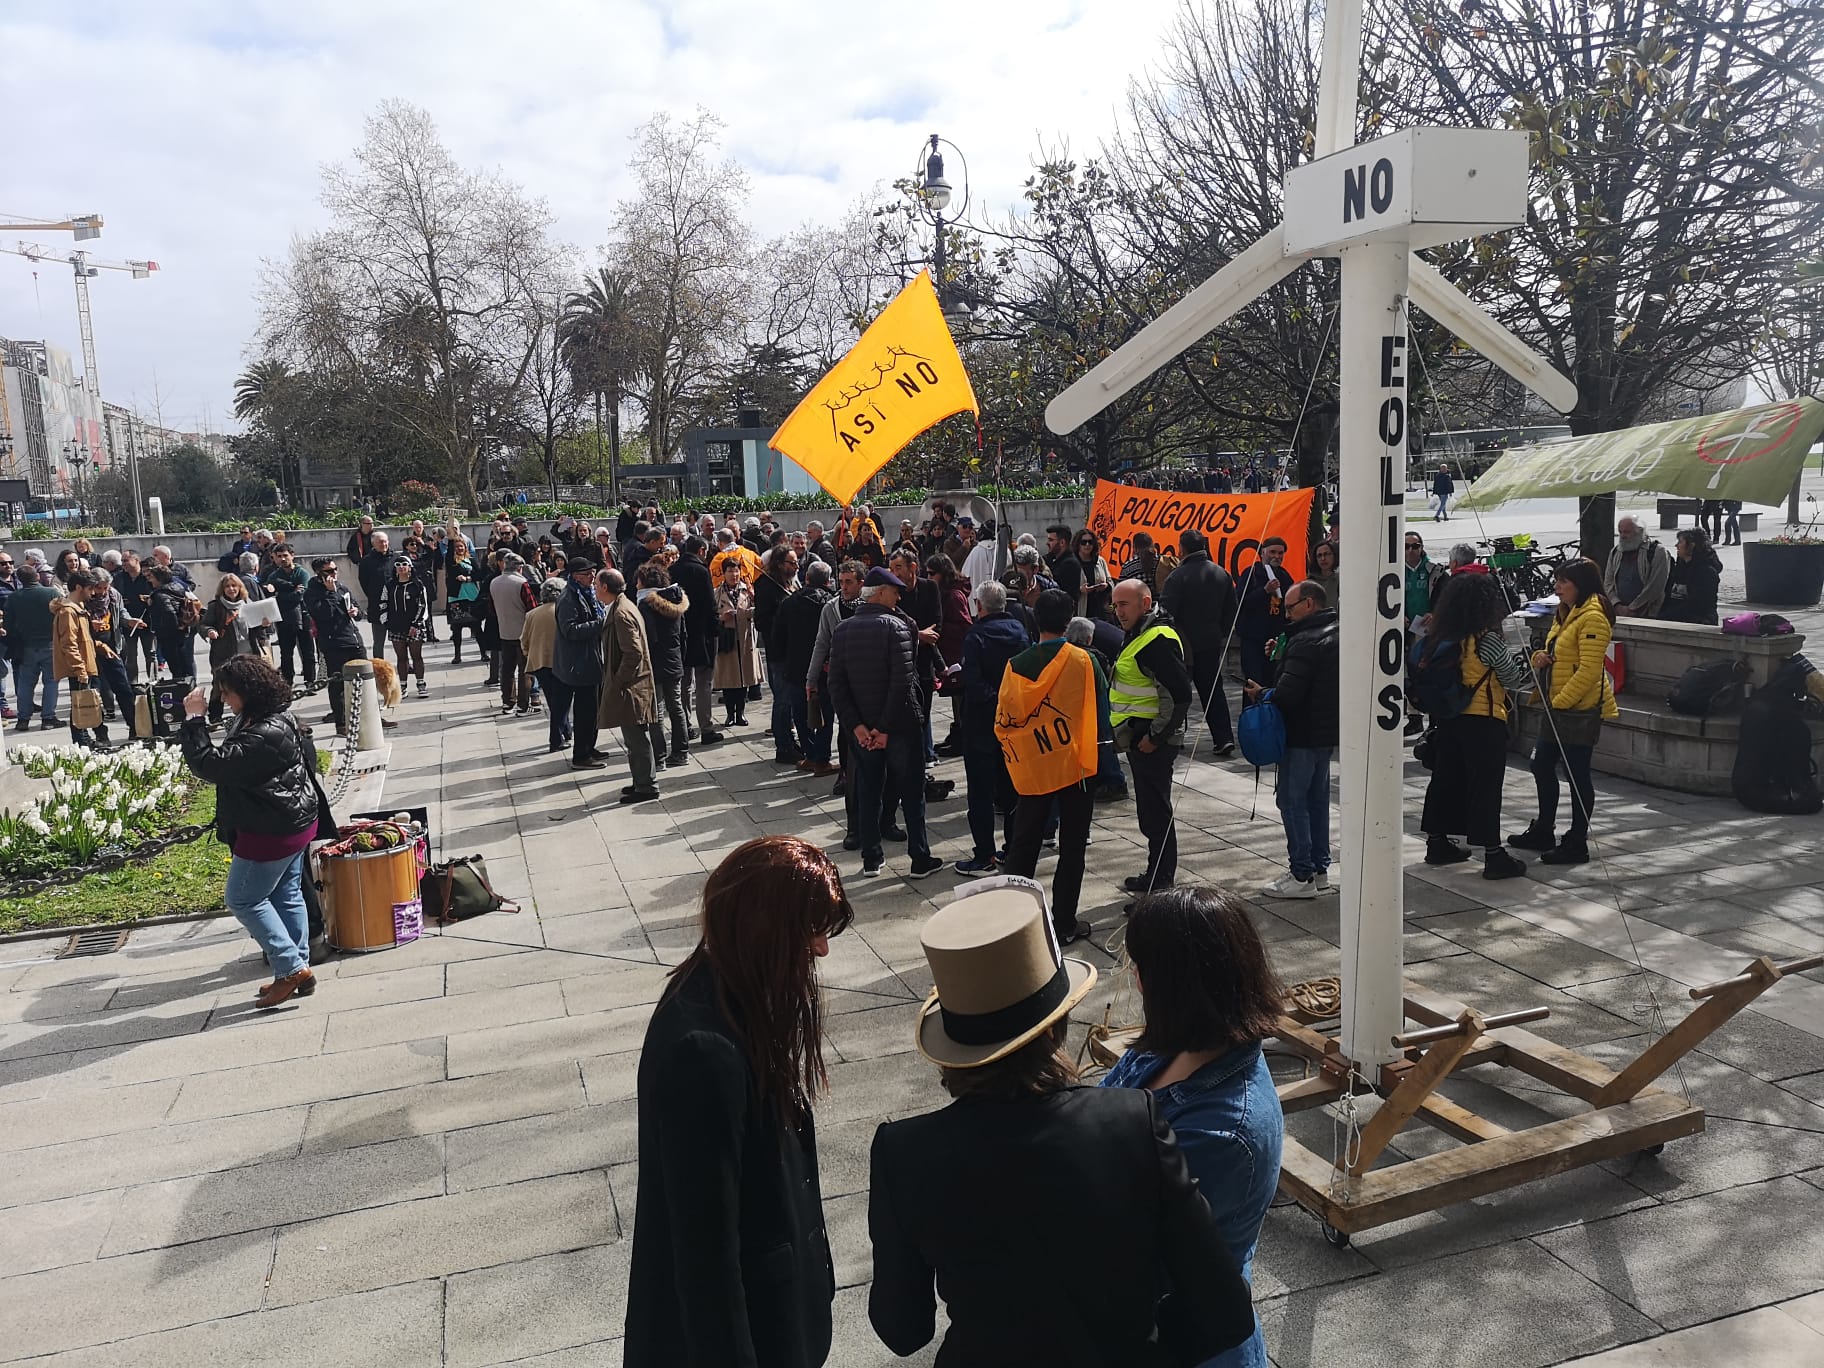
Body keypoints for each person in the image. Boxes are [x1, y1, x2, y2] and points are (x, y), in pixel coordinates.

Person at [868, 884, 1254, 1366]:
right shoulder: (1133, 1122)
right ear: (1055, 1025)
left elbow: (902, 1330)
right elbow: (1225, 1310)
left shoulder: (903, 1152)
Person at [624, 835, 851, 1367]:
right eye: (811, 929)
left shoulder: (736, 994)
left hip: (778, 1320)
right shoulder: (703, 1053)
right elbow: (706, 1265)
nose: (820, 949)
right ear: (765, 928)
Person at [1103, 886, 1286, 1368]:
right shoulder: (1173, 1044)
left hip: (1188, 1339)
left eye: (1136, 965)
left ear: (1161, 984)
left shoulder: (1226, 1132)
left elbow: (1132, 1238)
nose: (1133, 978)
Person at [178, 655, 323, 1010]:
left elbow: (211, 765)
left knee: (243, 898)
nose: (224, 699)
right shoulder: (270, 716)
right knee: (286, 893)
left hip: (270, 829)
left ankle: (290, 968)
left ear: (248, 691)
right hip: (292, 821)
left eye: (227, 693)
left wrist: (195, 720)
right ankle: (295, 967)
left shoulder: (262, 731)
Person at [995, 588, 1103, 942]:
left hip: (1034, 765)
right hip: (1074, 764)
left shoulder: (1015, 665)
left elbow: (1006, 715)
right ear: (1070, 619)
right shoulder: (1085, 660)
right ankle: (1065, 922)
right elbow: (1100, 709)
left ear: (1035, 620)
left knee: (1023, 844)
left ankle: (1014, 918)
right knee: (1072, 847)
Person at [826, 567, 942, 880]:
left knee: (867, 788)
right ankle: (919, 857)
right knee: (911, 791)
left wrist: (858, 727)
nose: (898, 595)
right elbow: (902, 682)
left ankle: (871, 858)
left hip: (863, 730)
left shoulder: (844, 630)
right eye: (893, 591)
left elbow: (836, 685)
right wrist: (885, 728)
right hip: (899, 727)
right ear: (878, 592)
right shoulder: (897, 627)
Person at [1417, 573, 1534, 880]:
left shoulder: (1440, 635)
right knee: (1484, 788)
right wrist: (1530, 664)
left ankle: (1437, 843)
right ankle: (1493, 856)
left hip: (1448, 719)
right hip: (1484, 720)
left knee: (1445, 780)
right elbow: (1511, 678)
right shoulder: (1486, 638)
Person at [1510, 559, 1617, 866]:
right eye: (1556, 581)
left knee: (1576, 773)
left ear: (1580, 585)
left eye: (1563, 582)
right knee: (1541, 765)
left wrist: (1561, 701)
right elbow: (1558, 651)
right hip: (1557, 703)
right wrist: (1540, 656)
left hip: (1576, 709)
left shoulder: (1593, 616)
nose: (1556, 587)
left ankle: (1577, 841)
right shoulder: (1567, 612)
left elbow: (1590, 669)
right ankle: (1544, 828)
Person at [1246, 579, 1339, 899]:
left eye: (1290, 607)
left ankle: (1301, 873)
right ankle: (1319, 869)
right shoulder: (1336, 633)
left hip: (1300, 732)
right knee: (1317, 801)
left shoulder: (1305, 641)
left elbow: (1287, 695)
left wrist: (1262, 693)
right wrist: (1280, 658)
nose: (1286, 614)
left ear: (1309, 604)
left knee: (1292, 801)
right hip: (1325, 732)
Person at [1111, 578, 1193, 905]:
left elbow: (1179, 695)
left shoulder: (1156, 638)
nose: (1117, 611)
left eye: (1124, 604)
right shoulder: (1142, 633)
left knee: (1157, 813)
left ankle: (1162, 886)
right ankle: (1154, 875)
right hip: (1139, 739)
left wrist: (1156, 738)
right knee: (1149, 812)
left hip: (1151, 742)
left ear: (1145, 604)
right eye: (1115, 605)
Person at [953, 581, 1028, 877]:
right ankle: (1012, 849)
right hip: (1013, 722)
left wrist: (994, 700)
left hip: (983, 724)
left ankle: (984, 854)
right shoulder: (1020, 632)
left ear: (980, 606)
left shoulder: (975, 636)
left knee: (981, 794)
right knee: (1012, 791)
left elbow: (972, 681)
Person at [1159, 527, 1238, 757]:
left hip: (1182, 645)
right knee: (1214, 690)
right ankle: (1223, 738)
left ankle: (1175, 735)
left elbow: (1166, 612)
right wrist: (1219, 633)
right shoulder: (1222, 574)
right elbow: (1231, 610)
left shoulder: (1177, 576)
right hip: (1210, 642)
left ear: (1181, 548)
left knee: (1178, 691)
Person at [597, 568, 661, 804]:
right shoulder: (622, 606)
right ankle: (641, 780)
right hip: (631, 685)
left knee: (636, 738)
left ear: (605, 587)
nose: (595, 589)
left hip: (631, 686)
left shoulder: (622, 613)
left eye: (597, 584)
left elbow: (632, 653)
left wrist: (619, 680)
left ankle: (646, 785)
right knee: (633, 737)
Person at [774, 560, 838, 775]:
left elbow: (778, 637)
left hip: (795, 666)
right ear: (828, 581)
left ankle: (810, 754)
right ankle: (821, 758)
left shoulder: (789, 602)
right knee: (825, 715)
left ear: (807, 578)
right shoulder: (832, 603)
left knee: (800, 713)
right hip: (824, 666)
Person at [555, 557, 610, 770]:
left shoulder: (587, 593)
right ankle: (581, 754)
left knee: (593, 709)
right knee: (584, 711)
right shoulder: (569, 598)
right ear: (576, 576)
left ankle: (589, 746)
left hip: (591, 659)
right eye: (588, 574)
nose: (592, 577)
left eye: (593, 573)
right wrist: (600, 624)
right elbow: (570, 630)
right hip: (579, 663)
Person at [635, 561, 690, 768]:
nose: (636, 585)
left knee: (656, 710)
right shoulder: (676, 600)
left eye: (638, 581)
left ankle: (659, 757)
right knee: (676, 706)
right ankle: (681, 752)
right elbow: (683, 634)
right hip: (674, 659)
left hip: (655, 662)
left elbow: (649, 637)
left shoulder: (646, 604)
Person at [303, 558, 365, 734]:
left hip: (353, 639)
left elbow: (359, 611)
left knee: (365, 679)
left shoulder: (343, 587)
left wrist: (356, 612)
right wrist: (330, 592)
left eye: (335, 569)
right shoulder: (312, 593)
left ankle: (369, 715)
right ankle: (341, 722)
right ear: (319, 574)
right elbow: (324, 614)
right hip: (333, 643)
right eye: (329, 571)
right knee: (337, 684)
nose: (334, 573)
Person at [52, 570, 113, 746]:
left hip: (86, 664)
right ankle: (82, 742)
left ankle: (90, 739)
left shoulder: (77, 608)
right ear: (78, 587)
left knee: (88, 703)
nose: (93, 593)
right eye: (90, 589)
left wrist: (100, 646)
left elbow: (83, 638)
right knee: (81, 706)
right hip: (81, 667)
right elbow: (69, 643)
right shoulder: (68, 611)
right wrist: (80, 669)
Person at [201, 574, 272, 726]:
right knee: (220, 685)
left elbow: (256, 628)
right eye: (227, 586)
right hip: (224, 653)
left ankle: (251, 714)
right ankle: (215, 717)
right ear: (222, 589)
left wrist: (264, 625)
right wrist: (209, 631)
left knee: (249, 683)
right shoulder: (216, 606)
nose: (231, 589)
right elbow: (203, 625)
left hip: (248, 651)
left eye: (234, 586)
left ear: (240, 588)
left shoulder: (248, 604)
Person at [672, 536, 721, 746]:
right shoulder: (701, 571)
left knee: (684, 683)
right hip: (701, 634)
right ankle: (706, 728)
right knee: (703, 683)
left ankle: (685, 726)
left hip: (679, 633)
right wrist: (716, 631)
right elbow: (710, 605)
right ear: (701, 550)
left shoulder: (673, 569)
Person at [755, 547, 801, 765]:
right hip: (779, 650)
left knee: (790, 699)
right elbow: (761, 621)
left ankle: (790, 741)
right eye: (792, 563)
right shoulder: (766, 586)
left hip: (792, 649)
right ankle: (783, 746)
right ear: (780, 563)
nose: (796, 566)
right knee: (783, 700)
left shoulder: (790, 582)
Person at [7, 563, 61, 729]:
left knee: (25, 684)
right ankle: (48, 718)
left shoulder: (14, 597)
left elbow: (9, 624)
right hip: (50, 643)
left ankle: (23, 719)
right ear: (37, 576)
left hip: (27, 646)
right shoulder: (51, 592)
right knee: (51, 681)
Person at [1234, 538, 1293, 688]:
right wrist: (1264, 591)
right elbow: (1240, 604)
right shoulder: (1251, 574)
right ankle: (1251, 712)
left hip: (1276, 640)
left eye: (1280, 553)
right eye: (1272, 552)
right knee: (1253, 682)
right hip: (1253, 640)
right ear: (1262, 553)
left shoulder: (1285, 577)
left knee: (1273, 682)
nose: (1277, 556)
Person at [521, 576, 569, 754]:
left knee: (554, 699)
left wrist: (529, 653)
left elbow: (524, 640)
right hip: (560, 661)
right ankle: (556, 739)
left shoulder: (532, 613)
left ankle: (565, 730)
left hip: (540, 662)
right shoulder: (562, 611)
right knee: (561, 702)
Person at [713, 557, 763, 728]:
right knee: (728, 680)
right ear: (724, 573)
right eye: (730, 571)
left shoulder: (747, 590)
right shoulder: (717, 592)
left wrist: (748, 609)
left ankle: (740, 714)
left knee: (743, 679)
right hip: (727, 640)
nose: (734, 575)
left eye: (736, 571)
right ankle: (729, 714)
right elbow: (710, 617)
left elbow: (760, 609)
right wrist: (721, 617)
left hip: (745, 638)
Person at [261, 545, 317, 688]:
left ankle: (310, 681)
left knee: (308, 651)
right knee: (286, 653)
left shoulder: (301, 573)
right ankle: (287, 682)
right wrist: (290, 589)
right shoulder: (274, 575)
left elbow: (300, 595)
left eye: (285, 555)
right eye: (279, 556)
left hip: (304, 615)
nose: (283, 559)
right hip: (284, 617)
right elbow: (270, 594)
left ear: (292, 555)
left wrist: (281, 593)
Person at [490, 552, 538, 715]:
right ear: (520, 567)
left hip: (504, 630)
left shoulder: (494, 582)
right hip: (522, 631)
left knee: (507, 669)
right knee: (525, 669)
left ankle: (508, 702)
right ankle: (523, 705)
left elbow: (491, 607)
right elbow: (532, 607)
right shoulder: (521, 583)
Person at [144, 564, 200, 684]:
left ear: (159, 578)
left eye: (152, 577)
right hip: (184, 632)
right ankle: (191, 688)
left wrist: (169, 633)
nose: (150, 580)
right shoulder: (177, 587)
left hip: (170, 638)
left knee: (177, 670)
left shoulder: (160, 595)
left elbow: (169, 613)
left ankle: (183, 694)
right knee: (186, 665)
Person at [1603, 516, 1669, 618]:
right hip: (1618, 613)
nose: (1622, 536)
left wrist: (1633, 608)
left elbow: (1655, 586)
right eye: (1620, 532)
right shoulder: (1615, 552)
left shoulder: (1657, 552)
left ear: (1640, 532)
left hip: (1648, 614)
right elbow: (1608, 582)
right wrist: (1617, 605)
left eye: (1627, 532)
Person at [384, 554, 431, 698]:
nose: (401, 568)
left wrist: (416, 624)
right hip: (396, 626)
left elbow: (423, 606)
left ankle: (421, 684)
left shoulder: (418, 585)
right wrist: (386, 621)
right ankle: (403, 686)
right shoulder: (390, 585)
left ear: (410, 567)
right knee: (401, 657)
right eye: (398, 565)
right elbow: (383, 603)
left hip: (414, 627)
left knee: (416, 656)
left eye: (404, 565)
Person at [1659, 527, 1722, 625]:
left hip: (1697, 621)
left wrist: (1668, 615)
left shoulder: (1706, 572)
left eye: (1680, 542)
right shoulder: (1679, 567)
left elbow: (1698, 604)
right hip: (1673, 618)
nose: (1676, 546)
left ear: (1692, 546)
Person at [444, 536, 483, 665]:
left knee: (477, 627)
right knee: (456, 628)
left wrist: (468, 578)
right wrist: (450, 539)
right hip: (457, 597)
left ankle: (483, 653)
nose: (459, 548)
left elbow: (479, 574)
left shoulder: (471, 559)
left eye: (461, 546)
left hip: (471, 596)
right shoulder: (451, 561)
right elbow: (449, 555)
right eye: (457, 547)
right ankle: (457, 655)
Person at [357, 530, 392, 655]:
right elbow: (364, 582)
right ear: (373, 544)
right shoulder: (366, 562)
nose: (384, 544)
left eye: (385, 541)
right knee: (378, 641)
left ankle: (404, 664)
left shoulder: (396, 558)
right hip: (377, 606)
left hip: (396, 605)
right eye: (380, 542)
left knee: (401, 640)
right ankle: (378, 665)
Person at [1309, 539, 1341, 608]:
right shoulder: (1310, 582)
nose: (1323, 558)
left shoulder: (1340, 579)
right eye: (1319, 556)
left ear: (1334, 555)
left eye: (1326, 554)